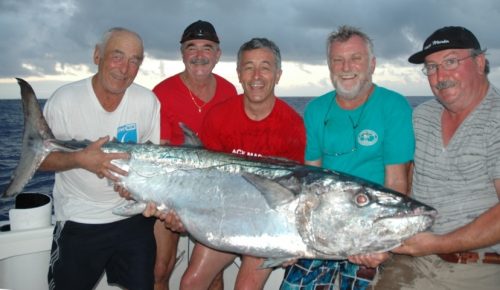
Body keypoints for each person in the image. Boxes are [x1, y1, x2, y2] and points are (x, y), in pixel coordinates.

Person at [280, 25, 415, 290]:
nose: (346, 67)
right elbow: (308, 186)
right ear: (329, 66)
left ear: (372, 64)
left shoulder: (394, 106)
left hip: (370, 229)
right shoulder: (316, 109)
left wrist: (381, 245)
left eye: (355, 58)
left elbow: (398, 183)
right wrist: (294, 239)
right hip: (321, 229)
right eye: (337, 60)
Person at [374, 26, 500, 290]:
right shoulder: (423, 116)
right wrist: (380, 241)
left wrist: (437, 244)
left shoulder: (496, 119)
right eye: (431, 68)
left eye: (451, 61)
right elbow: (407, 183)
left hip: (479, 266)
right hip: (413, 260)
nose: (440, 76)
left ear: (480, 62)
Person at [177, 37, 305, 290]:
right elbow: (204, 180)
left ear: (277, 75)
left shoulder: (292, 125)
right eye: (248, 67)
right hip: (223, 217)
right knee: (190, 282)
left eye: (265, 67)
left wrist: (292, 241)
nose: (256, 75)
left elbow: (292, 195)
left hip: (266, 225)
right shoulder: (219, 116)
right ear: (239, 74)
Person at [41, 27, 160, 290]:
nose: (125, 68)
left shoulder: (147, 101)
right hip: (80, 219)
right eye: (117, 56)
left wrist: (140, 191)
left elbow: (152, 163)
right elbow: (40, 160)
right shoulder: (64, 100)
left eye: (134, 61)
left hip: (134, 221)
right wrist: (81, 159)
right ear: (98, 55)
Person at [151, 20, 237, 290]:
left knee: (214, 275)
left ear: (218, 54)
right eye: (192, 47)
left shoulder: (229, 91)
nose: (200, 55)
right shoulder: (161, 93)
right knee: (160, 270)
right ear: (182, 53)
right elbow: (161, 149)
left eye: (207, 48)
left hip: (213, 194)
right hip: (170, 190)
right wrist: (173, 204)